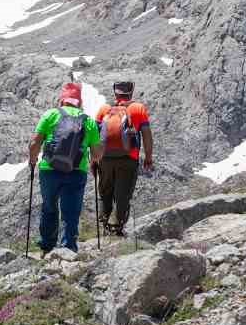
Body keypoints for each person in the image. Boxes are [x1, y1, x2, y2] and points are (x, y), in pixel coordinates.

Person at [28, 83, 103, 253]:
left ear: (62, 99)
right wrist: (96, 154)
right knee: (71, 210)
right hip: (76, 171)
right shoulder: (88, 121)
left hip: (49, 169)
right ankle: (68, 247)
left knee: (49, 206)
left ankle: (47, 245)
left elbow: (34, 143)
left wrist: (32, 160)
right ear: (79, 101)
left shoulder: (50, 115)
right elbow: (97, 153)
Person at [94, 80, 154, 237]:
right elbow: (146, 134)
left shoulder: (104, 109)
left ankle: (104, 225)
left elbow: (94, 137)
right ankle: (117, 227)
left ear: (115, 93)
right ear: (131, 93)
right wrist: (148, 156)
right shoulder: (137, 108)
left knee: (105, 191)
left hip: (105, 158)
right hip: (128, 158)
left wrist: (93, 160)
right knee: (123, 194)